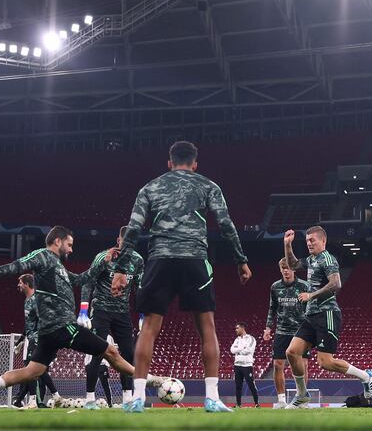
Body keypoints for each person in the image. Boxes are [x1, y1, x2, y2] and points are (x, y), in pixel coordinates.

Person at [111, 141, 252, 413]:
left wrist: (120, 269)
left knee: (149, 328)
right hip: (195, 261)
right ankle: (212, 398)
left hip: (159, 260)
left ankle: (137, 398)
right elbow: (226, 225)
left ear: (169, 162)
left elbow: (133, 228)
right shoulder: (208, 186)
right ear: (195, 163)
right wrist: (241, 260)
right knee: (207, 328)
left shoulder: (150, 187)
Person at [0, 226, 160, 411]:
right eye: (69, 244)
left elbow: (81, 279)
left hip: (50, 331)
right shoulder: (43, 255)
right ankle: (151, 379)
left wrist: (103, 262)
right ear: (57, 241)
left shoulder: (57, 265)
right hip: (61, 326)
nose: (71, 250)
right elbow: (18, 265)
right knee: (110, 351)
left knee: (32, 371)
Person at [282, 226, 372, 409]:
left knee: (325, 362)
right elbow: (292, 264)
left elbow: (336, 283)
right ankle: (302, 396)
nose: (309, 243)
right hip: (311, 315)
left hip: (327, 313)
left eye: (312, 240)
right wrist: (287, 245)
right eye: (307, 240)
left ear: (323, 241)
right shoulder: (311, 259)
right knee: (291, 352)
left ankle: (365, 376)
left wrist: (311, 295)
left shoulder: (328, 259)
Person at [79, 226, 144, 409]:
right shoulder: (103, 257)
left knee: (129, 355)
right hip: (101, 310)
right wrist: (83, 310)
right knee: (98, 353)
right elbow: (88, 282)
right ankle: (90, 399)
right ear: (119, 241)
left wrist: (143, 314)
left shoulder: (138, 260)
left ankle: (127, 399)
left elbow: (141, 287)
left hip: (122, 313)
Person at [263, 258, 311, 409]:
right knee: (277, 365)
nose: (285, 270)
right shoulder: (275, 287)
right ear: (280, 270)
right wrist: (268, 327)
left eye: (288, 267)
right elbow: (272, 308)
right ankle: (281, 400)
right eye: (283, 268)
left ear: (294, 269)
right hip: (282, 330)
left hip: (301, 330)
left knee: (303, 364)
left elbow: (311, 307)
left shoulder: (304, 285)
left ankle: (301, 399)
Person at [12, 274, 62, 409]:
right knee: (37, 370)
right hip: (31, 338)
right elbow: (29, 324)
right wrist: (21, 341)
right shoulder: (27, 300)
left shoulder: (37, 300)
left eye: (20, 282)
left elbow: (46, 319)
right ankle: (55, 396)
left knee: (31, 368)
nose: (18, 285)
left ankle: (34, 401)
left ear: (27, 284)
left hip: (38, 339)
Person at [231, 322, 259, 408]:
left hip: (247, 365)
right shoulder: (237, 339)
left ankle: (257, 403)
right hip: (237, 365)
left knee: (251, 384)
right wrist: (241, 348)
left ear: (242, 328)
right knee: (238, 386)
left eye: (237, 328)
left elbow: (249, 350)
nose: (236, 330)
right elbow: (232, 350)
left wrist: (238, 350)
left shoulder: (251, 339)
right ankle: (238, 404)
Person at [84, 336, 114, 406]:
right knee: (91, 385)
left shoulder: (109, 337)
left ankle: (110, 403)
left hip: (102, 365)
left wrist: (107, 364)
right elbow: (87, 351)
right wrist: (87, 363)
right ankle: (90, 401)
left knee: (105, 385)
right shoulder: (91, 335)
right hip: (92, 365)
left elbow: (111, 350)